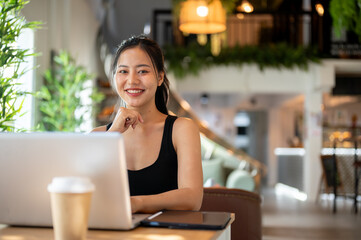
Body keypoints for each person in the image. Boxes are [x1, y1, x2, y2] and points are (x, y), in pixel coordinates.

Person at [92, 35, 203, 214]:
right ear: (114, 77)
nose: (132, 80)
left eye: (142, 71)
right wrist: (113, 134)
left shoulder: (181, 129)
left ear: (159, 78)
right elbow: (82, 191)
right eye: (123, 71)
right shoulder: (98, 136)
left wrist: (136, 203)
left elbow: (192, 198)